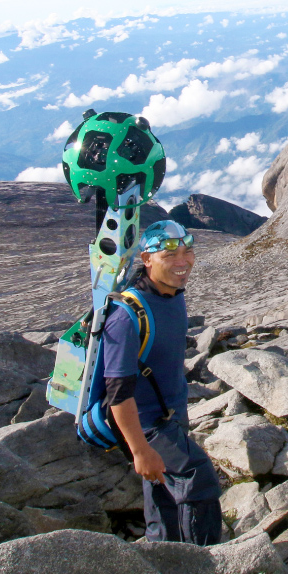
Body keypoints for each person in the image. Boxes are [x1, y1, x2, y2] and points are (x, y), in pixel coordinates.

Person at [102, 219, 223, 545]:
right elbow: (117, 392)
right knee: (199, 480)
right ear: (147, 260)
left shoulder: (172, 294)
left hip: (172, 412)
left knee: (163, 493)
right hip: (147, 425)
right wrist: (139, 449)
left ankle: (163, 556)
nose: (182, 262)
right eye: (169, 255)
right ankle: (209, 567)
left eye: (188, 251)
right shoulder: (127, 316)